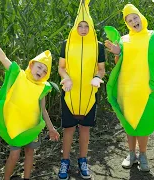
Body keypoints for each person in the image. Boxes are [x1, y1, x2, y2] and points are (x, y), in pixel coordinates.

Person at [104, 4, 154, 172]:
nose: (133, 21)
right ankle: (131, 154)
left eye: (135, 17)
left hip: (147, 90)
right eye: (129, 20)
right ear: (127, 24)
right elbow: (119, 64)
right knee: (129, 123)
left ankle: (142, 154)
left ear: (141, 17)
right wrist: (117, 52)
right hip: (127, 90)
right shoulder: (123, 40)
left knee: (144, 124)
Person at [0, 23, 60, 180]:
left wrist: (51, 128)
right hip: (16, 125)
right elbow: (3, 57)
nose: (41, 72)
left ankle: (27, 177)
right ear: (31, 65)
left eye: (45, 71)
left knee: (30, 152)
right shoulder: (18, 75)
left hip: (32, 127)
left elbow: (43, 109)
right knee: (15, 154)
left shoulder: (43, 87)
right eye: (39, 67)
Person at [57, 0, 105, 179]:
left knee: (85, 129)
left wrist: (97, 78)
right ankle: (65, 161)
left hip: (89, 93)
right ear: (75, 27)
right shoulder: (66, 44)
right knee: (68, 129)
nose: (84, 29)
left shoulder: (98, 46)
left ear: (91, 26)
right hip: (69, 92)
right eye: (80, 26)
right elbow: (61, 67)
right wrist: (66, 78)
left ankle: (83, 160)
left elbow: (101, 69)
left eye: (87, 26)